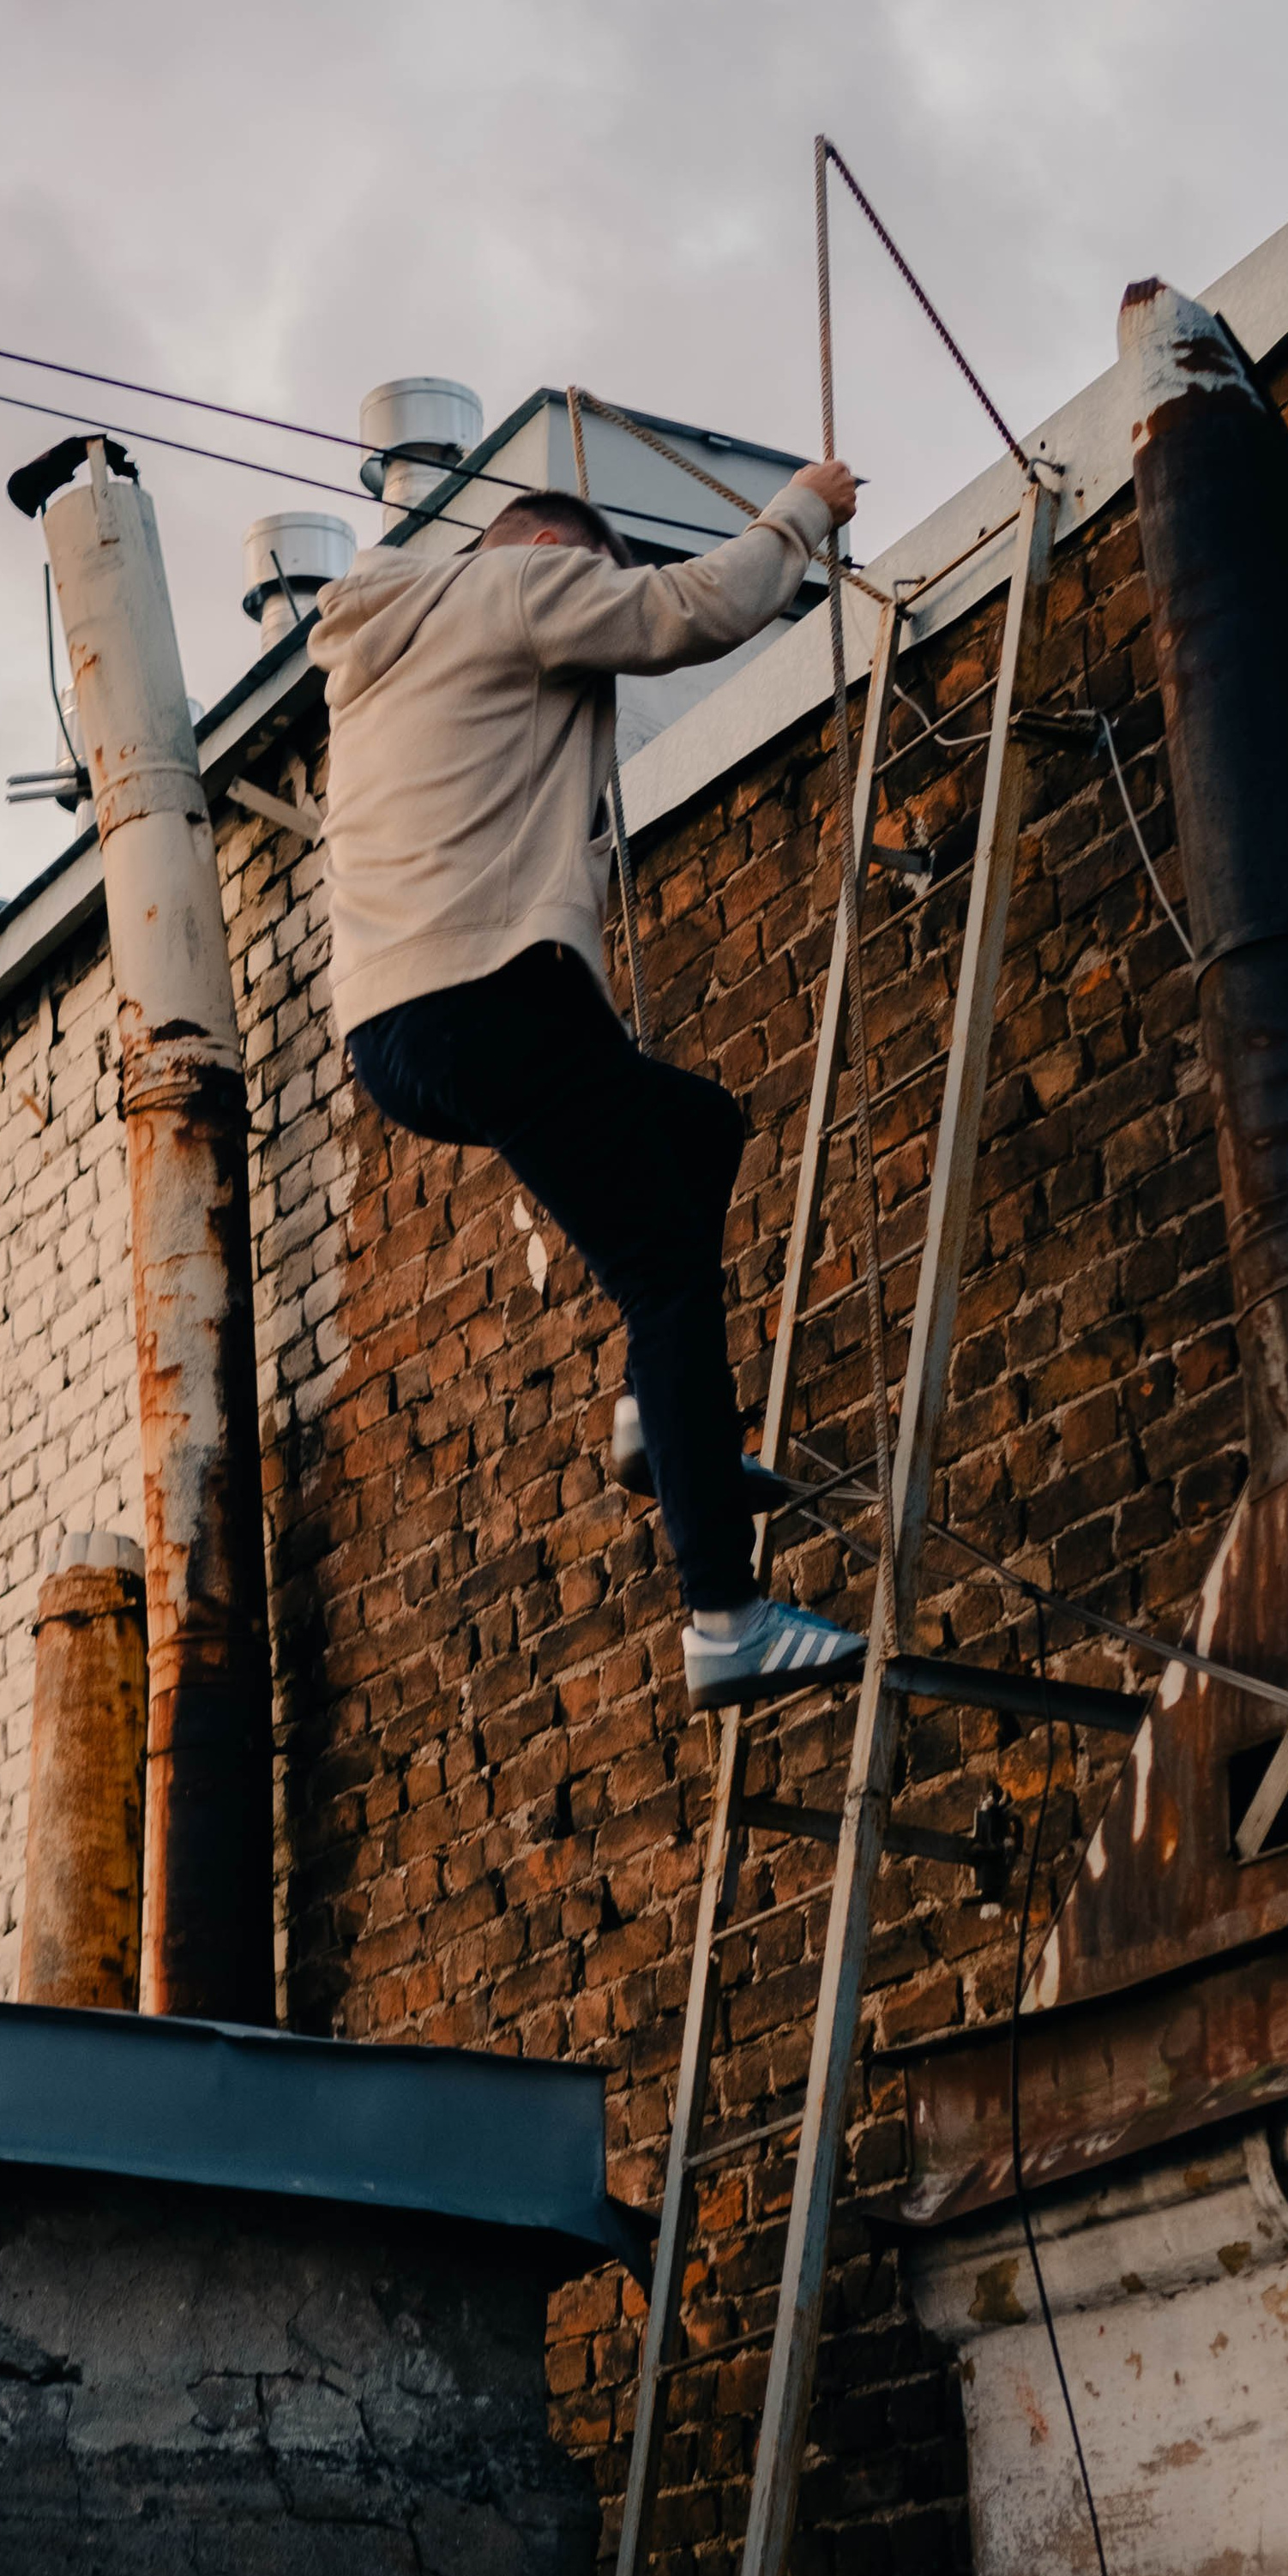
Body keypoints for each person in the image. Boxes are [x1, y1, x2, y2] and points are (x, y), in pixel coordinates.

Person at [316, 458, 869, 1708]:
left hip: (397, 1040)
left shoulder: (378, 649)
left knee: (697, 1125)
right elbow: (691, 614)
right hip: (492, 995)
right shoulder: (521, 584)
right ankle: (725, 1617)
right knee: (667, 1275)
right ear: (554, 553)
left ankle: (646, 1421)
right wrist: (803, 512)